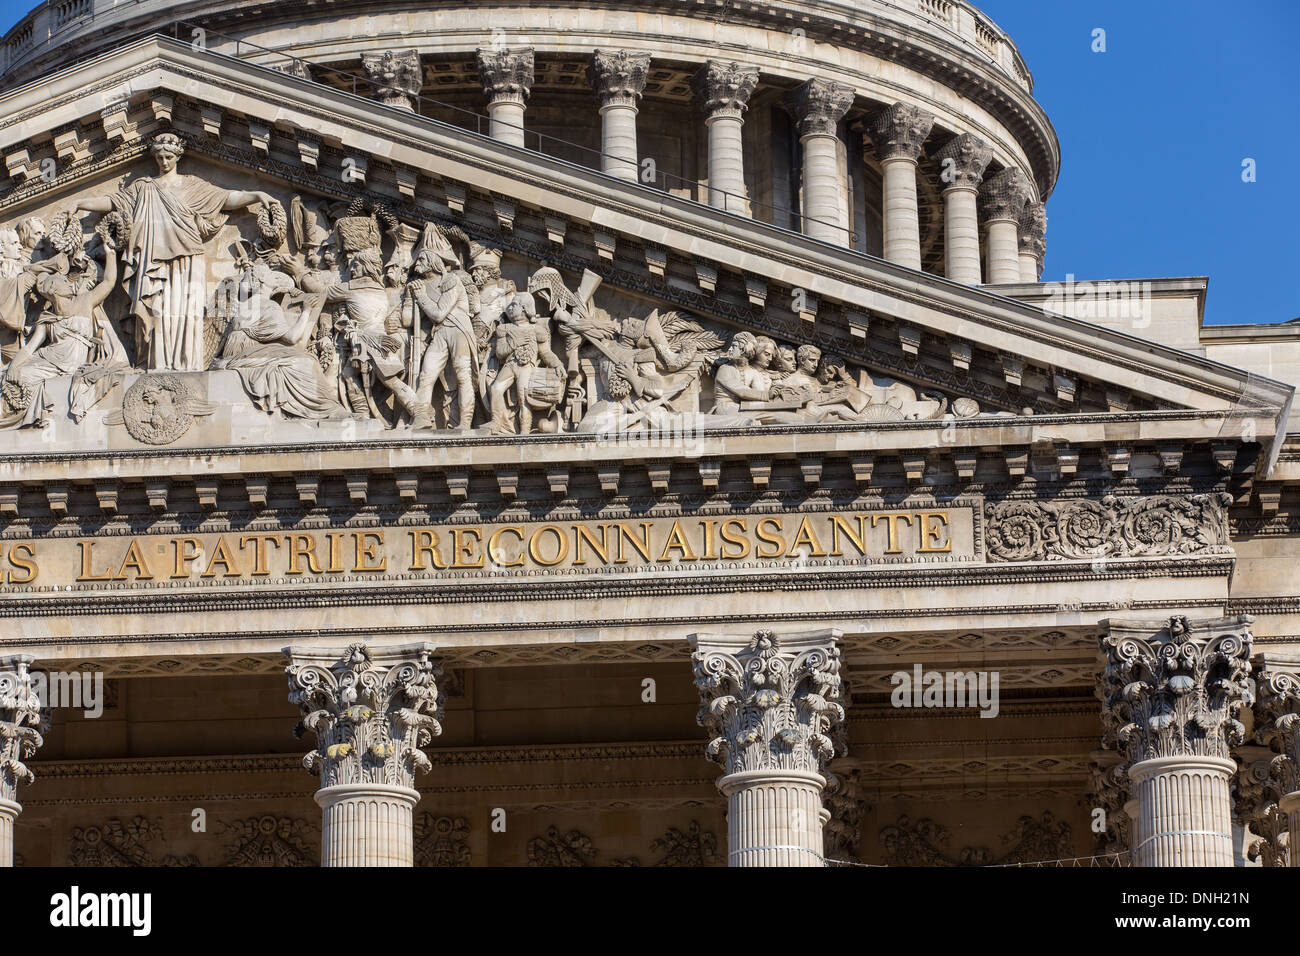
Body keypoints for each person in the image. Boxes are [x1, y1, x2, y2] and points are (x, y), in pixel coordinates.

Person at [73, 133, 279, 371]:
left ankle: (185, 362)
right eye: (159, 157)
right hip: (151, 263)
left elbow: (226, 198)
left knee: (184, 312)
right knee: (156, 313)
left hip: (186, 260)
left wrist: (256, 195)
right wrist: (80, 203)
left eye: (168, 156)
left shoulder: (191, 185)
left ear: (178, 156)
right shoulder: (143, 187)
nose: (164, 162)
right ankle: (156, 361)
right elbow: (112, 202)